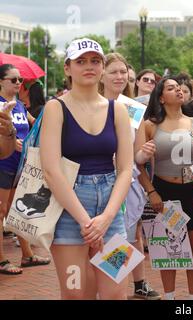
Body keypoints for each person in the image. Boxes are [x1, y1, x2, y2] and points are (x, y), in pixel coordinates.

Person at [40, 38, 133, 299]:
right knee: (75, 293)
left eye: (95, 61)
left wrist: (106, 219)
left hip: (111, 212)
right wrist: (86, 222)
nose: (88, 66)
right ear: (68, 68)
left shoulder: (118, 110)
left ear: (103, 67)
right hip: (68, 212)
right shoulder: (55, 108)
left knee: (116, 293)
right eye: (81, 61)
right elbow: (51, 170)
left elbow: (126, 169)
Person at [99, 52, 161, 300]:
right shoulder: (94, 104)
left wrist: (145, 154)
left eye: (123, 72)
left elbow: (136, 156)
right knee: (105, 236)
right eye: (113, 71)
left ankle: (118, 286)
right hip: (98, 179)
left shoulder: (134, 108)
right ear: (102, 74)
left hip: (128, 182)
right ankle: (106, 286)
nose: (119, 76)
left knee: (127, 236)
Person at [143, 76, 193, 300]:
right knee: (168, 247)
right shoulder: (150, 124)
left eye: (179, 88)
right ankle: (169, 297)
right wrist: (151, 191)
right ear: (161, 98)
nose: (179, 91)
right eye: (171, 88)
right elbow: (137, 163)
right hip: (165, 192)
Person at [0, 64, 48, 276]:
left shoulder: (19, 105)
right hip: (3, 164)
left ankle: (27, 254)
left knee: (18, 210)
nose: (19, 83)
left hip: (20, 166)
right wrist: (10, 139)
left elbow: (36, 124)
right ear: (1, 81)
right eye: (13, 80)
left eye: (20, 80)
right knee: (1, 211)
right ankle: (1, 260)